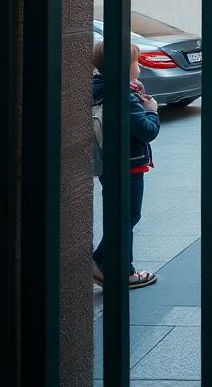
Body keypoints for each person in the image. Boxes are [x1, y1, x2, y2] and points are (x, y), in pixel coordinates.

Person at [91, 40, 161, 289]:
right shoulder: (124, 95)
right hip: (128, 165)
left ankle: (101, 261)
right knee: (128, 216)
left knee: (119, 215)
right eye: (136, 62)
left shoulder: (99, 87)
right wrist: (151, 110)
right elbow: (147, 131)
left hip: (107, 163)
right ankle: (120, 270)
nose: (139, 66)